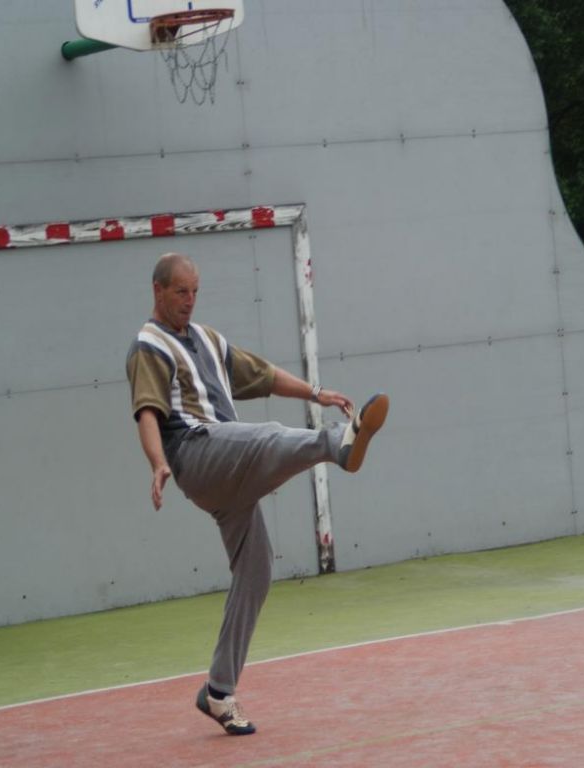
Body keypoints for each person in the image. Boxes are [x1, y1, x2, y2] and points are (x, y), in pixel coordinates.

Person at [125, 252, 388, 735]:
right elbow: (147, 412)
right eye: (181, 292)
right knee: (265, 435)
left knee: (257, 569)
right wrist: (157, 462)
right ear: (157, 290)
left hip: (229, 473)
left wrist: (316, 393)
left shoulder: (207, 339)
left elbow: (263, 374)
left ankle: (218, 691)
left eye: (195, 291)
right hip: (197, 454)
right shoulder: (150, 345)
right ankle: (338, 444)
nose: (189, 300)